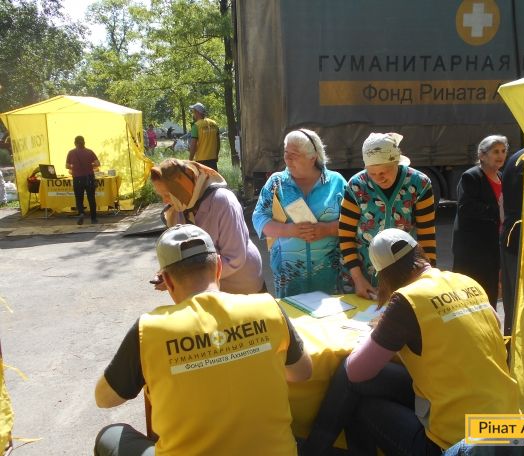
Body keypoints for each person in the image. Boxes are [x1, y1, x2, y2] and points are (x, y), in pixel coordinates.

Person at [94, 224, 313, 456]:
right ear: (218, 267)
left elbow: (104, 398)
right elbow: (303, 372)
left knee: (111, 435)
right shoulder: (267, 306)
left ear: (167, 280)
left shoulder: (149, 330)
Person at [302, 229, 518, 455]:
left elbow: (355, 372)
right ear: (419, 253)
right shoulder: (465, 281)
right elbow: (491, 328)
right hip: (510, 433)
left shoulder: (407, 300)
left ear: (385, 276)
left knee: (355, 395)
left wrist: (380, 334)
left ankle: (313, 450)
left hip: (458, 445)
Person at [339, 132, 436, 299]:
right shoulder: (356, 186)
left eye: (384, 172)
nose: (379, 178)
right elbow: (345, 235)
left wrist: (429, 276)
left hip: (403, 272)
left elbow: (427, 236)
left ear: (397, 162)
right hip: (361, 273)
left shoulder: (420, 184)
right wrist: (358, 278)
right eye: (372, 173)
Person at [252, 129, 347, 298]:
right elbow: (259, 217)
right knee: (292, 314)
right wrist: (289, 230)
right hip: (288, 278)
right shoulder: (277, 183)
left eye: (294, 155)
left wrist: (326, 229)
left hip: (329, 276)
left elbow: (353, 222)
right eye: (286, 152)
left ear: (313, 157)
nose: (287, 159)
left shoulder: (336, 182)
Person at [151, 158, 264, 294]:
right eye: (161, 196)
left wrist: (184, 278)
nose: (164, 201)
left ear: (182, 188)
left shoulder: (223, 202)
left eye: (167, 194)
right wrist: (169, 273)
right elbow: (182, 254)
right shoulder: (179, 208)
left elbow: (234, 259)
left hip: (242, 286)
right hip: (206, 289)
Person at [452, 135, 508, 309]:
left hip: (493, 247)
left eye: (503, 151)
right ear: (482, 155)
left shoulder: (501, 176)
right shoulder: (471, 177)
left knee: (490, 294)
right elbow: (466, 207)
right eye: (495, 151)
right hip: (472, 250)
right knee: (471, 296)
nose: (501, 155)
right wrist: (497, 210)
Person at [500, 148, 524, 336]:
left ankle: (510, 342)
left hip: (511, 236)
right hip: (521, 240)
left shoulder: (518, 157)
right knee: (520, 303)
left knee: (511, 301)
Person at [65, 135, 100, 225]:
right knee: (91, 198)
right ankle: (93, 219)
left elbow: (67, 166)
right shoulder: (89, 152)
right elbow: (97, 164)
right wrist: (90, 165)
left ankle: (81, 213)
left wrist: (74, 166)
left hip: (77, 178)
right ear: (84, 142)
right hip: (89, 178)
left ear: (75, 143)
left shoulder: (71, 152)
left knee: (79, 198)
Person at [188, 102, 220, 170]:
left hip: (201, 161)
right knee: (213, 177)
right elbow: (218, 142)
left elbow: (193, 146)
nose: (193, 114)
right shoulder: (214, 124)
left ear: (197, 112)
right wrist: (216, 155)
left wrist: (190, 161)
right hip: (213, 160)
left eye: (193, 112)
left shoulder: (196, 126)